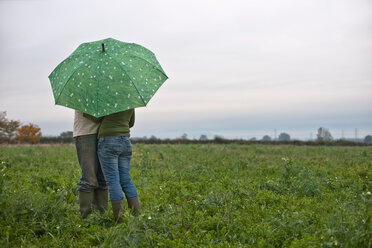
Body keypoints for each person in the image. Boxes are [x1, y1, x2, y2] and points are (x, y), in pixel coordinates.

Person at [85, 109, 141, 223]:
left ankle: (120, 219)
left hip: (108, 140)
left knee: (113, 181)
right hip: (125, 140)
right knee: (126, 179)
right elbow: (131, 123)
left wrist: (85, 112)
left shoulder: (107, 98)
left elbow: (96, 119)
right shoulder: (129, 99)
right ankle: (138, 216)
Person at [73, 110, 108, 218]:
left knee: (102, 178)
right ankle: (86, 217)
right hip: (85, 134)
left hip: (104, 134)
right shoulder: (81, 93)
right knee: (88, 178)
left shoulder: (106, 93)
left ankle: (102, 215)